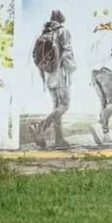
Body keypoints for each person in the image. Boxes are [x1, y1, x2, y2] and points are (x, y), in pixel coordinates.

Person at [31, 10, 75, 148]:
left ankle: (59, 139)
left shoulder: (44, 33)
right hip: (61, 74)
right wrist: (72, 69)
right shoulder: (63, 31)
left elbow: (38, 58)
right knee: (64, 105)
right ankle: (41, 127)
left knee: (56, 107)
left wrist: (44, 79)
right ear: (61, 18)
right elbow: (67, 52)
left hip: (49, 75)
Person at [88, 6, 112, 144]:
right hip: (106, 71)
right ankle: (99, 124)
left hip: (94, 74)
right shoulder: (110, 34)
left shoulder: (93, 34)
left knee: (103, 105)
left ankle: (105, 135)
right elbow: (110, 54)